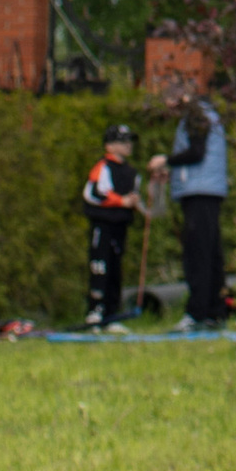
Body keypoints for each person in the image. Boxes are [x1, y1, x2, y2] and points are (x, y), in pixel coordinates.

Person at [155, 87, 230, 333]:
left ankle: (196, 314)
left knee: (197, 255)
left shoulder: (196, 117)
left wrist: (166, 161)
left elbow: (196, 153)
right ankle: (214, 312)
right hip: (209, 190)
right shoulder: (207, 114)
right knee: (211, 254)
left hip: (199, 191)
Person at [81, 125, 140, 334]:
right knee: (100, 267)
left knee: (116, 269)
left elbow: (135, 199)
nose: (128, 145)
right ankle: (95, 312)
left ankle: (112, 314)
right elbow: (94, 193)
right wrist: (120, 201)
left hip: (120, 226)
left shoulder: (131, 172)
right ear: (110, 145)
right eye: (122, 141)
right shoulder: (102, 167)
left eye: (128, 141)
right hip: (103, 225)